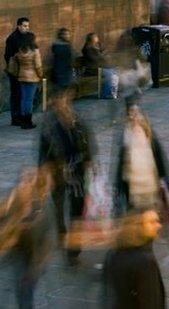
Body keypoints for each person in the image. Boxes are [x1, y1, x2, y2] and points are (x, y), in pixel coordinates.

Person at [38, 89, 96, 265]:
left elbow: (88, 143)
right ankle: (63, 236)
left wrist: (90, 162)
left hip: (77, 173)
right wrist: (43, 174)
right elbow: (43, 153)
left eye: (65, 99)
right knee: (58, 210)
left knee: (77, 210)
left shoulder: (78, 121)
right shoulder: (48, 126)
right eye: (59, 100)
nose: (62, 103)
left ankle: (73, 249)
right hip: (57, 172)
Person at [0, 166, 55, 309]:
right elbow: (4, 220)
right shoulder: (14, 199)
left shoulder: (43, 209)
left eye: (28, 181)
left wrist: (38, 265)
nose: (23, 184)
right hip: (17, 252)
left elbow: (48, 240)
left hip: (33, 259)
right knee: (20, 288)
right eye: (22, 180)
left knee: (25, 291)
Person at [113, 105, 169, 216]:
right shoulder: (126, 137)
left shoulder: (150, 137)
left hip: (150, 189)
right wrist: (118, 189)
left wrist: (165, 184)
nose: (135, 117)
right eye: (132, 114)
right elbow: (121, 166)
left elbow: (160, 162)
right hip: (133, 191)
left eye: (137, 114)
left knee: (150, 220)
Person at [103, 210, 166, 309]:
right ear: (138, 226)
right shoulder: (145, 261)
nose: (159, 226)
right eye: (152, 222)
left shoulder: (113, 253)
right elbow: (151, 301)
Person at [10, 33, 43, 129]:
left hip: (21, 77)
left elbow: (15, 62)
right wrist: (41, 76)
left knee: (24, 99)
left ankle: (23, 120)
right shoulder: (35, 51)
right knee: (29, 100)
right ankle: (28, 122)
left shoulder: (20, 51)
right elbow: (38, 66)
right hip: (32, 78)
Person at [5, 17, 31, 127]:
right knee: (16, 94)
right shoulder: (12, 38)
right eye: (25, 26)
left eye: (28, 26)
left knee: (22, 94)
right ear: (19, 26)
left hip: (24, 71)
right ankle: (15, 118)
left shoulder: (27, 37)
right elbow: (7, 55)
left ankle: (21, 116)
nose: (27, 28)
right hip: (15, 72)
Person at [50, 28, 74, 93]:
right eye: (66, 34)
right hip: (62, 71)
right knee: (62, 91)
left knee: (63, 91)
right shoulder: (63, 46)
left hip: (63, 71)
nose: (68, 36)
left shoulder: (63, 45)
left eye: (68, 34)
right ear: (61, 35)